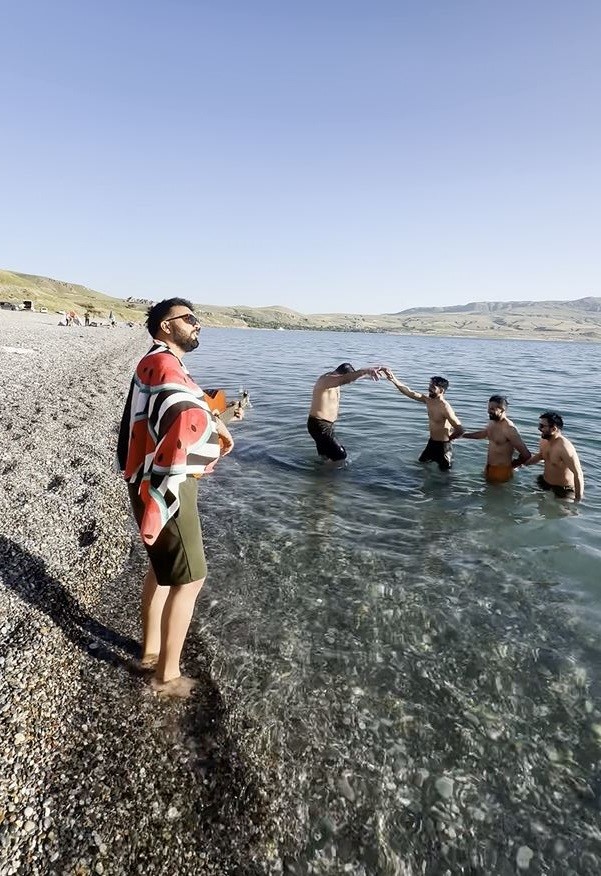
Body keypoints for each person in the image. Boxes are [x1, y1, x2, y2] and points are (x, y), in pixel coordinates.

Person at [117, 297, 235, 697]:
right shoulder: (165, 365)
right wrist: (214, 428)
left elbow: (177, 407)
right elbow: (185, 416)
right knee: (192, 578)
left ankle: (150, 651)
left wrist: (218, 415)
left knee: (163, 570)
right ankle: (166, 676)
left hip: (144, 478)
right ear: (166, 326)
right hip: (167, 482)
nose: (197, 325)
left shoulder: (154, 362)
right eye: (189, 319)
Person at [382, 370, 464, 470]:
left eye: (433, 387)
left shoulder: (445, 407)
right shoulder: (428, 400)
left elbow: (460, 429)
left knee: (445, 478)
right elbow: (409, 392)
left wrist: (449, 440)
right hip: (431, 443)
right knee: (420, 466)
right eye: (429, 385)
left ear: (441, 390)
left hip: (443, 447)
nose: (429, 389)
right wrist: (393, 379)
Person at [307, 362, 380, 461]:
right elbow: (347, 379)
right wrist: (365, 371)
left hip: (324, 425)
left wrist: (372, 373)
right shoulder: (327, 380)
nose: (349, 383)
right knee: (340, 455)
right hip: (319, 425)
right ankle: (330, 475)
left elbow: (349, 378)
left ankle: (321, 474)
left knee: (326, 456)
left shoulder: (335, 380)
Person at [461, 395, 531, 482]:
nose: (488, 411)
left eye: (492, 409)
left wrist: (511, 466)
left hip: (501, 471)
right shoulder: (492, 421)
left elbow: (526, 455)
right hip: (489, 467)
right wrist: (462, 435)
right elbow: (484, 434)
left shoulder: (509, 429)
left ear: (502, 409)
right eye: (488, 408)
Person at [523, 411, 584, 501]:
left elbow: (578, 474)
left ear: (553, 429)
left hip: (562, 489)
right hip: (544, 482)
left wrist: (578, 500)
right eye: (539, 425)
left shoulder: (564, 448)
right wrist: (524, 463)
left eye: (542, 426)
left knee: (560, 513)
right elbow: (541, 455)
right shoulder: (544, 440)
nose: (539, 429)